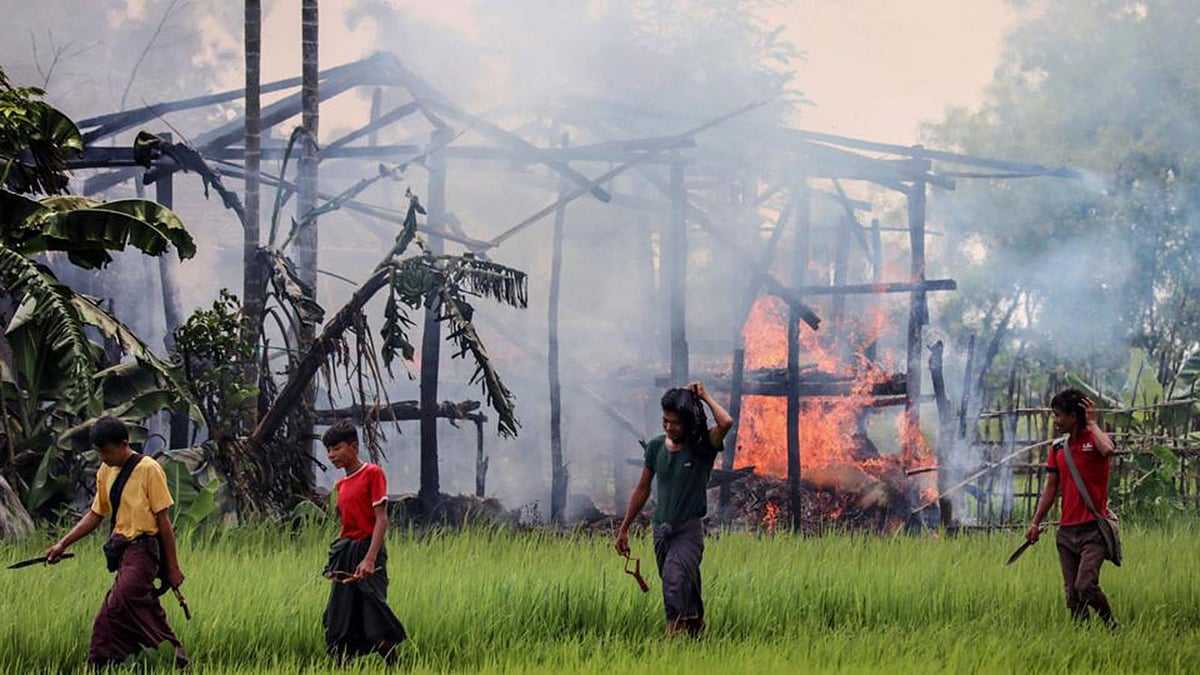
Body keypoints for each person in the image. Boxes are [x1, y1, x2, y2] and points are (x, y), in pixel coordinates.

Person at [45, 416, 187, 669]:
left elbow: (163, 522)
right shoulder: (105, 470)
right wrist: (62, 544)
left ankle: (119, 658)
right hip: (122, 552)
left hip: (144, 549)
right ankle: (108, 662)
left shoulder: (148, 469)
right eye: (99, 453)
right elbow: (95, 514)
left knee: (119, 601)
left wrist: (173, 567)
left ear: (124, 444)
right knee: (124, 608)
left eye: (107, 452)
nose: (103, 458)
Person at [615, 381, 733, 637]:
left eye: (675, 422)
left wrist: (705, 397)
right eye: (665, 421)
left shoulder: (703, 447)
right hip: (661, 532)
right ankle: (697, 631)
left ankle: (671, 645)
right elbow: (643, 489)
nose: (669, 427)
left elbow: (726, 423)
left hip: (687, 532)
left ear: (688, 422)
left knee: (673, 582)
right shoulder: (656, 447)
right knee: (682, 586)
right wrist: (624, 529)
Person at [1025, 388, 1118, 627]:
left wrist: (1093, 423)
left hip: (1093, 530)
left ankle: (1112, 627)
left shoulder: (1095, 441)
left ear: (1073, 417)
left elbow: (1108, 450)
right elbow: (1051, 488)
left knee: (1085, 585)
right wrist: (1036, 521)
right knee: (1072, 596)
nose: (1055, 421)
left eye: (1058, 415)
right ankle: (1082, 637)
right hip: (1066, 532)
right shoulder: (1057, 449)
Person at [321, 419, 407, 662]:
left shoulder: (373, 474)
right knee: (340, 621)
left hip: (370, 552)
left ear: (353, 446)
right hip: (347, 553)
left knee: (374, 623)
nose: (331, 455)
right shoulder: (340, 485)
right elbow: (345, 527)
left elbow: (381, 520)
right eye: (328, 450)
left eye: (336, 448)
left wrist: (369, 559)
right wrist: (334, 563)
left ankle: (396, 665)